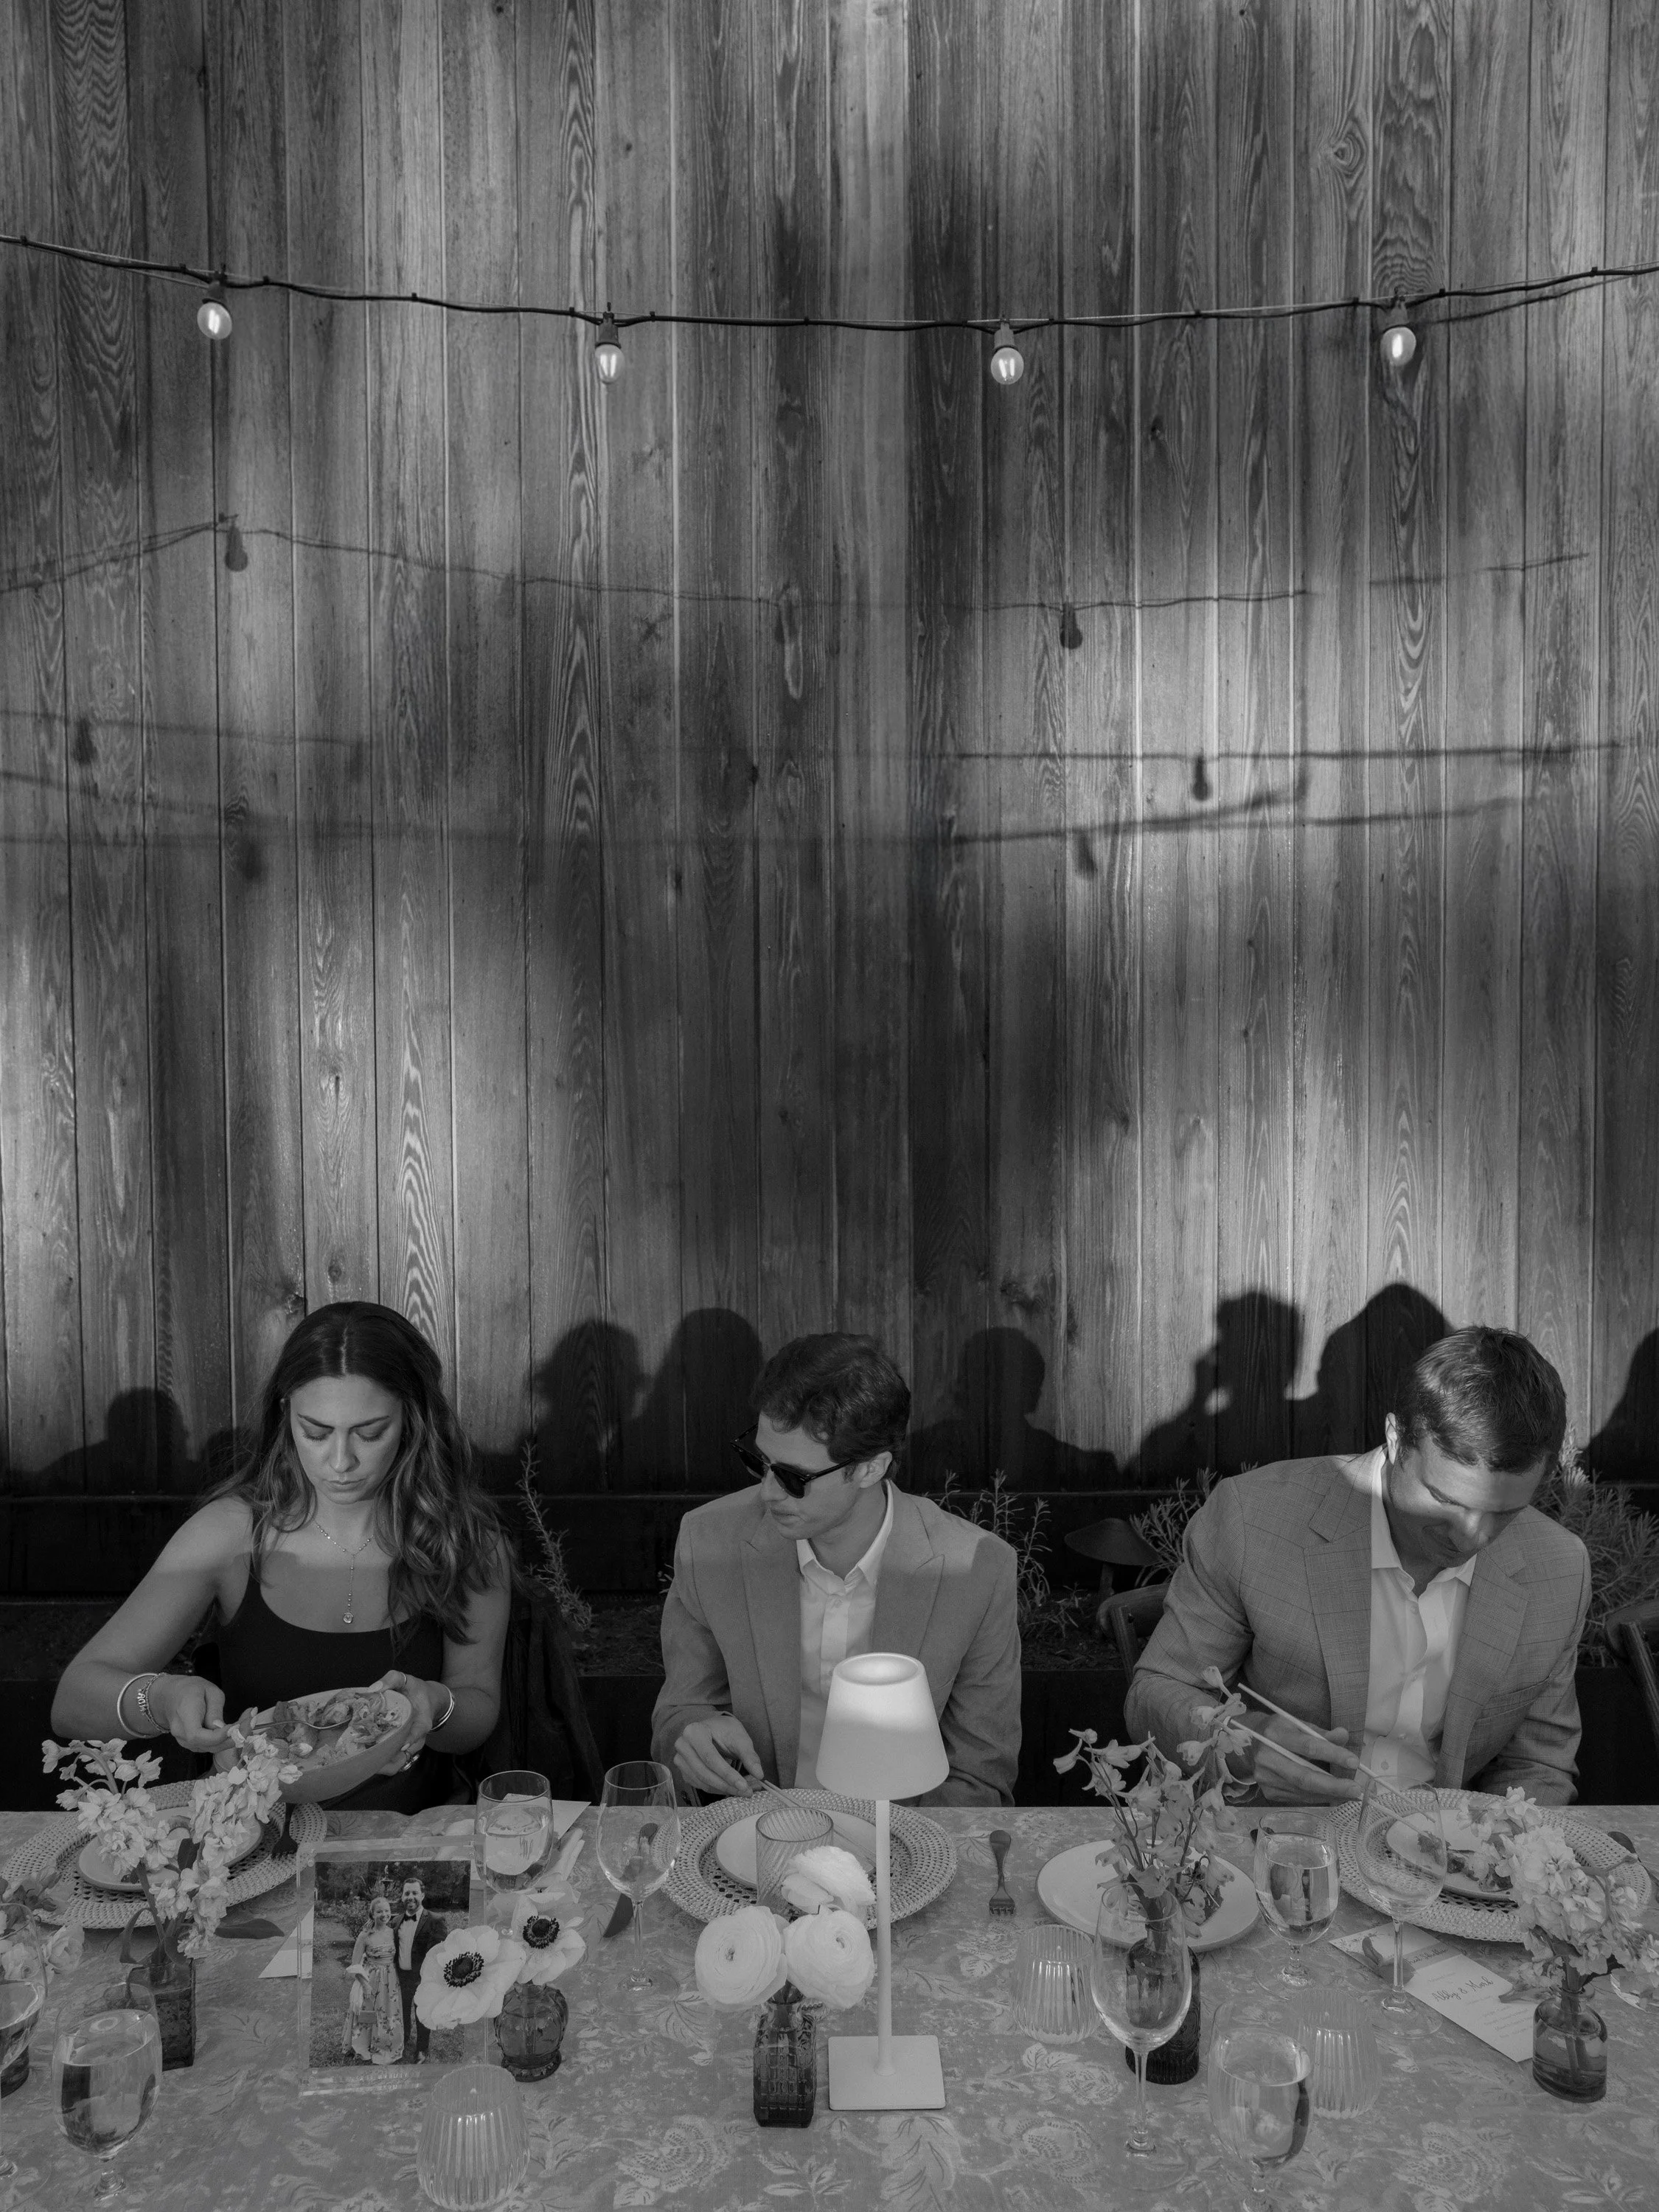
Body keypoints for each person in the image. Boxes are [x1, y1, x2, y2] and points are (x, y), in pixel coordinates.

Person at [51, 1301, 512, 1814]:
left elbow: (477, 1703)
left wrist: (437, 1708)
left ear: (414, 1418)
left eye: (370, 1432)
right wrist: (160, 1698)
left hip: (414, 1842)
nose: (341, 1462)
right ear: (284, 1413)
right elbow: (73, 1701)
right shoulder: (230, 1534)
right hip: (255, 1843)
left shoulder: (465, 1540)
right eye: (315, 1432)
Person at [1125, 1326, 1590, 1805]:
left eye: (1503, 1513)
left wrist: (1500, 1858)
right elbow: (1157, 1691)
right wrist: (1243, 1744)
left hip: (1448, 1860)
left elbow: (1539, 1763)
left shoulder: (1559, 1567)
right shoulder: (1254, 1520)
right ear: (1394, 1437)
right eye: (1445, 1500)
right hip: (1280, 1839)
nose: (1471, 1537)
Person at [651, 1332, 1022, 1806]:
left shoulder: (976, 1571)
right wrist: (693, 1735)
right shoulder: (708, 1541)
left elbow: (980, 1775)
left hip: (904, 1853)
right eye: (759, 1462)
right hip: (751, 1839)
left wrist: (885, 1861)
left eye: (793, 1476)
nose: (767, 1492)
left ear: (870, 1469)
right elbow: (677, 1714)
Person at [392, 1876, 446, 2062]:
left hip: (424, 1979)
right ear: (402, 1897)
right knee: (402, 2010)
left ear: (422, 1895)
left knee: (423, 2014)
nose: (411, 1897)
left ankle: (422, 2049)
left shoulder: (435, 1920)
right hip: (401, 1976)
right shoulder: (395, 1921)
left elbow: (440, 1953)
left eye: (415, 1892)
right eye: (407, 1893)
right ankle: (404, 2040)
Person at [344, 1895, 403, 2065]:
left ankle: (386, 2043)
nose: (384, 1915)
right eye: (380, 1911)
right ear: (372, 1914)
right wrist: (365, 1984)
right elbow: (355, 1965)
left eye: (387, 1911)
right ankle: (363, 2045)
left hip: (391, 1980)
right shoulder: (364, 1936)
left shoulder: (393, 1933)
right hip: (371, 1979)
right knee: (368, 2014)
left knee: (389, 2013)